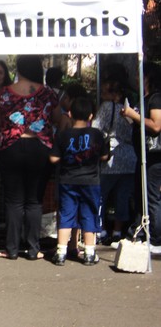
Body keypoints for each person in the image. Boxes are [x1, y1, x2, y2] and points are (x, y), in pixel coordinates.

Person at [0, 55, 61, 260]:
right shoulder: (48, 93)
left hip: (11, 147)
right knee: (34, 201)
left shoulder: (4, 93)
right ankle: (33, 249)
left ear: (18, 69)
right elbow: (57, 118)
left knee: (13, 201)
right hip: (40, 147)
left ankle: (11, 249)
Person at [50, 97, 110, 265]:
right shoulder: (97, 134)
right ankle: (90, 253)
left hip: (67, 180)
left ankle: (61, 251)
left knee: (66, 214)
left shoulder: (63, 135)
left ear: (69, 114)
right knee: (89, 213)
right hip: (91, 182)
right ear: (91, 116)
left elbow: (54, 158)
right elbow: (105, 156)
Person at [91, 73, 136, 245]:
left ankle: (100, 230)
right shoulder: (132, 108)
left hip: (111, 157)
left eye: (103, 92)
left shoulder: (107, 106)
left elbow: (96, 128)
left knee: (102, 195)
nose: (101, 95)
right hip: (129, 155)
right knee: (122, 197)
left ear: (112, 93)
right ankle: (117, 231)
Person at [121, 62, 161, 254]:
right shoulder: (145, 98)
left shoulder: (155, 98)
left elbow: (155, 125)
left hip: (154, 156)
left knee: (151, 197)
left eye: (139, 75)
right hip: (143, 154)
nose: (136, 79)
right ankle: (137, 233)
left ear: (147, 77)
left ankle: (156, 238)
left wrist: (133, 115)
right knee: (141, 195)